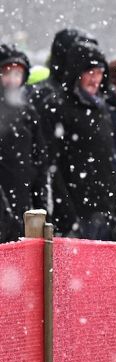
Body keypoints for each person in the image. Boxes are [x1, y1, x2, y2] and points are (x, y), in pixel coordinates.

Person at [38, 40, 116, 240]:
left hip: (103, 206)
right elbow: (52, 164)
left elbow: (108, 158)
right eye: (90, 73)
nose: (96, 79)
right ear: (77, 73)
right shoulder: (57, 106)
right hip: (77, 209)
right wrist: (67, 212)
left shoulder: (100, 108)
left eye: (100, 73)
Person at [0, 44, 44, 240]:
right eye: (7, 73)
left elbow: (39, 155)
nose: (12, 79)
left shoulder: (28, 111)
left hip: (22, 196)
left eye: (17, 74)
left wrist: (39, 194)